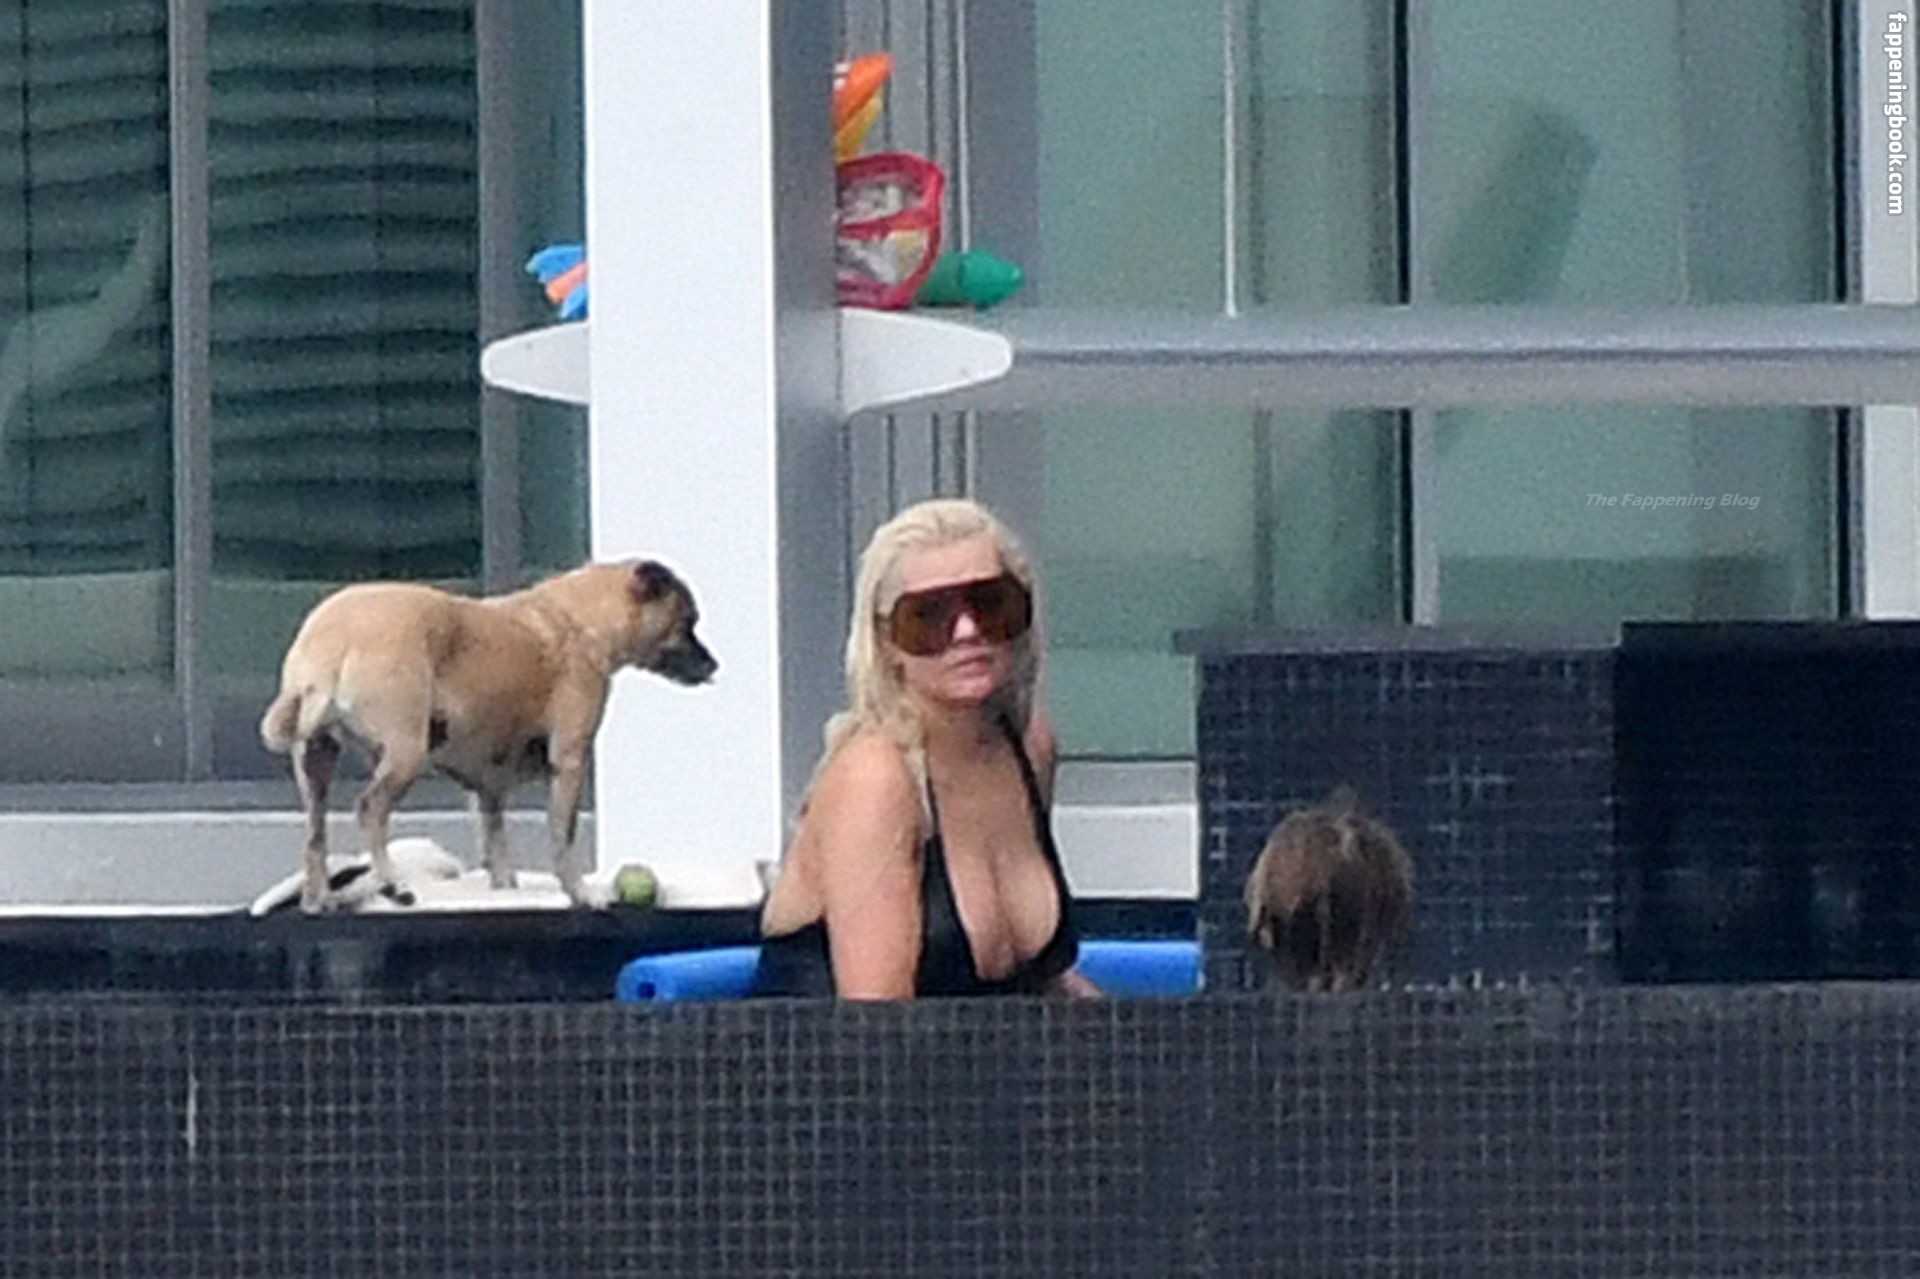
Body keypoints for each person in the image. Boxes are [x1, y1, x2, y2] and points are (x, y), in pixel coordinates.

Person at [757, 498, 1097, 999]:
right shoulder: (875, 779)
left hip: (983, 1046)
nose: (967, 632)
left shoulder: (1028, 745)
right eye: (928, 617)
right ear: (886, 642)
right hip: (854, 1049)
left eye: (992, 604)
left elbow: (1034, 982)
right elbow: (878, 1021)